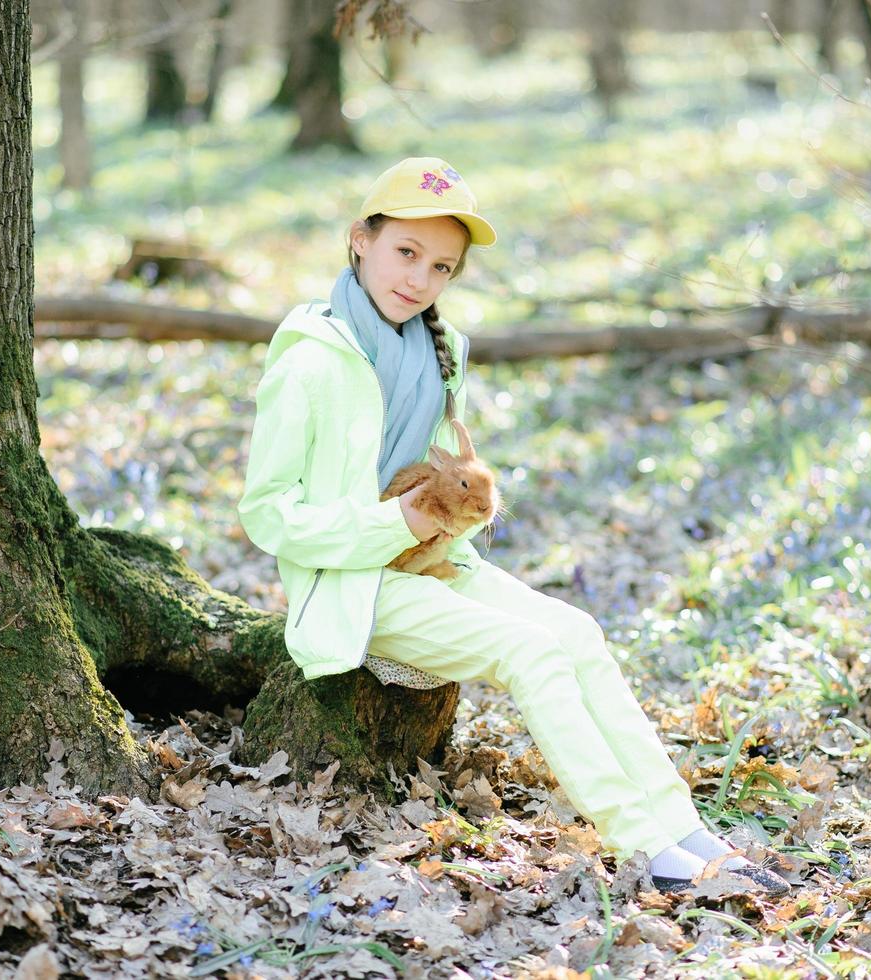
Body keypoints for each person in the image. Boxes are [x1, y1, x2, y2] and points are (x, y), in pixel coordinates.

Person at [236, 157, 789, 896]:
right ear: (359, 240)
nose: (418, 280)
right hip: (351, 585)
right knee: (527, 650)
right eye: (405, 252)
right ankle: (644, 850)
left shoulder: (439, 351)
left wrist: (444, 515)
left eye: (440, 266)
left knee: (577, 633)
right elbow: (267, 512)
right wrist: (387, 524)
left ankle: (682, 830)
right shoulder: (308, 361)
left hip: (428, 563)